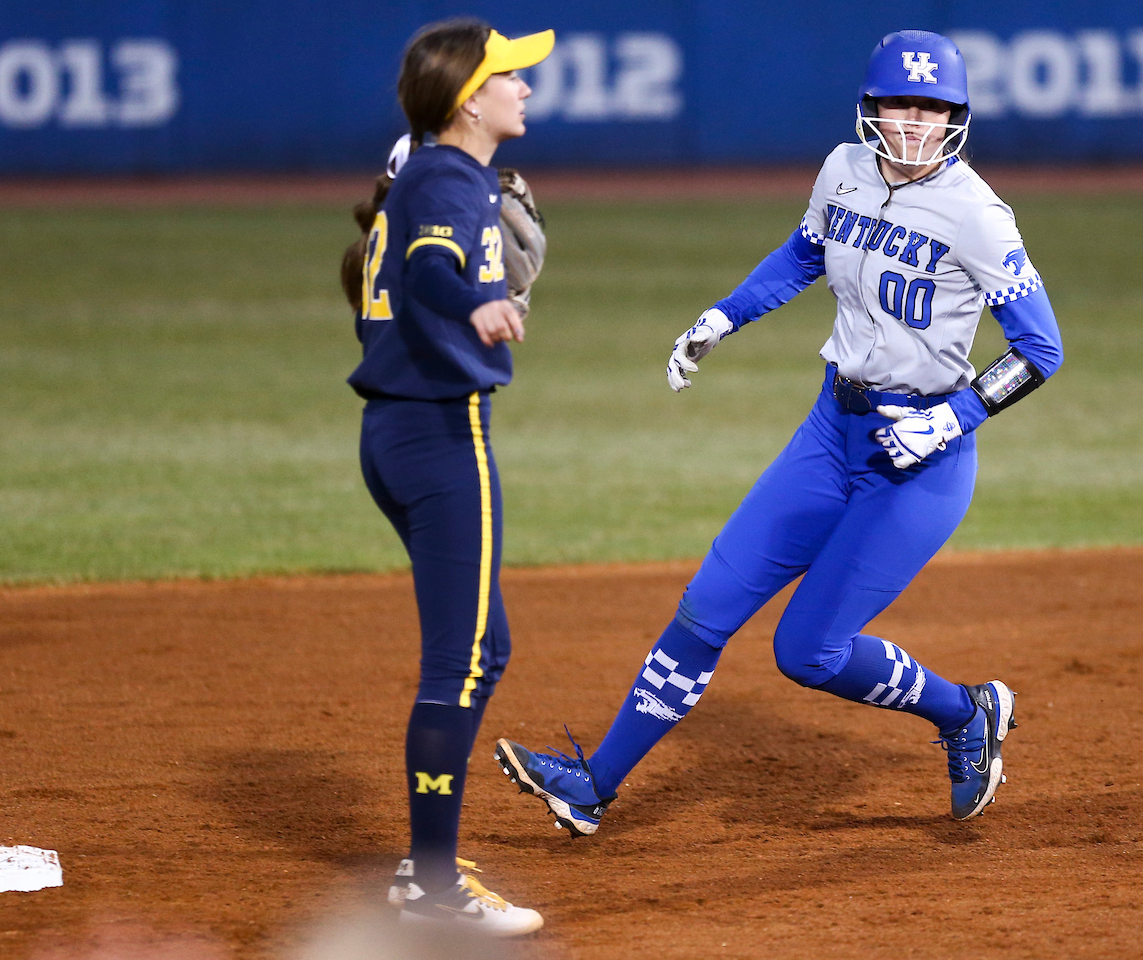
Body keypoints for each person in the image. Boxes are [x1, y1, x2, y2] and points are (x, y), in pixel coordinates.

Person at [494, 30, 1063, 835]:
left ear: (957, 116)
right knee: (706, 608)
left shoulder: (979, 216)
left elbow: (1042, 349)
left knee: (807, 653)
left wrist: (953, 414)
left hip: (921, 464)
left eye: (934, 107)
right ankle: (593, 785)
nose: (915, 121)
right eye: (901, 103)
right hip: (831, 432)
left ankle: (966, 712)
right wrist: (722, 317)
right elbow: (803, 255)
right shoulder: (843, 169)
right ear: (870, 108)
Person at [341, 18, 554, 935]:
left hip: (399, 432)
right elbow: (430, 267)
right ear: (470, 97)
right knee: (459, 663)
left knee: (486, 647)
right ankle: (432, 889)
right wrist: (482, 299)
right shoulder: (446, 179)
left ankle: (423, 862)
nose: (526, 88)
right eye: (512, 76)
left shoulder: (426, 177)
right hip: (439, 438)